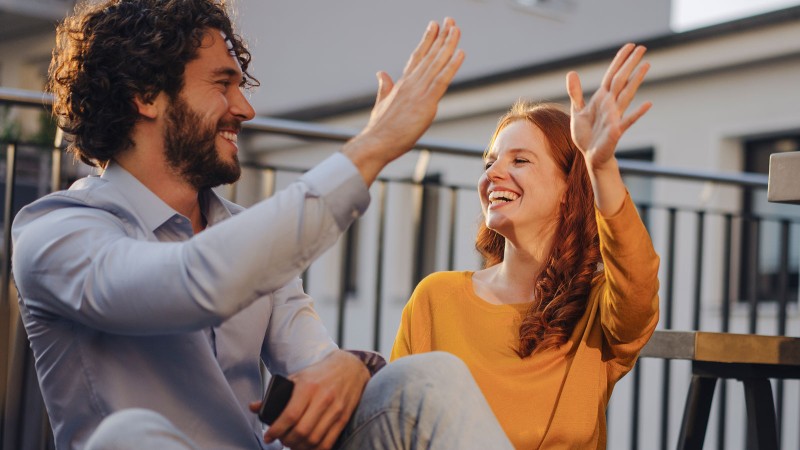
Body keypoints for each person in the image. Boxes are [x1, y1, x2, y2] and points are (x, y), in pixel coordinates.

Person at [12, 1, 515, 449]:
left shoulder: (244, 233)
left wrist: (349, 368)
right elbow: (189, 282)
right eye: (221, 84)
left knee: (429, 380)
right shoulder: (54, 233)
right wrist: (371, 148)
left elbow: (314, 364)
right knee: (127, 437)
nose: (245, 109)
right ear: (147, 96)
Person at [391, 43, 660, 449]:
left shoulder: (597, 309)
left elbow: (639, 282)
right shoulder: (435, 298)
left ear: (569, 189)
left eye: (519, 161)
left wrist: (600, 167)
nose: (493, 174)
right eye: (490, 163)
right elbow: (394, 422)